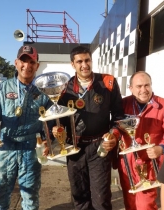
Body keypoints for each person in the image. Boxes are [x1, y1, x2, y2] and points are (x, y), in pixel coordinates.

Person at [0, 45, 52, 210]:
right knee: (0, 194)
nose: (27, 66)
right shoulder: (2, 88)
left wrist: (48, 141)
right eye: (23, 61)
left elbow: (50, 121)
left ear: (37, 65)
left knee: (30, 197)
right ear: (16, 63)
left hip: (31, 149)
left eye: (32, 62)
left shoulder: (44, 91)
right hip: (6, 147)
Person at [53, 45, 124, 210]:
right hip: (74, 147)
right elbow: (59, 119)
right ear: (72, 64)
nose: (84, 65)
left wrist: (113, 134)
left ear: (91, 61)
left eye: (87, 60)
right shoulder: (64, 88)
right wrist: (57, 131)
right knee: (79, 196)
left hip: (99, 147)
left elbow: (119, 115)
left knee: (101, 199)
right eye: (79, 62)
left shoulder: (108, 82)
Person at [117, 71, 164, 210]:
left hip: (150, 162)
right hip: (127, 162)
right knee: (130, 203)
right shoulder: (123, 104)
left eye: (147, 85)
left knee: (145, 204)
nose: (143, 90)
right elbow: (115, 126)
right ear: (131, 88)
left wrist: (162, 148)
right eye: (139, 86)